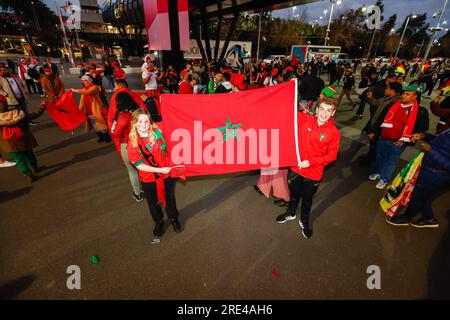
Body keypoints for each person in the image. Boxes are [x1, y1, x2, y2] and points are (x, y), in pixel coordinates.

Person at [276, 96, 341, 239]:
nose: (324, 114)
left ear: (333, 113)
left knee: (307, 200)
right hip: (295, 168)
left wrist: (311, 162)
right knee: (293, 195)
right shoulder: (305, 119)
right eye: (322, 109)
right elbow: (288, 110)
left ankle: (304, 221)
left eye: (328, 111)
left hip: (313, 173)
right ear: (317, 109)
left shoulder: (334, 133)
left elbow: (331, 156)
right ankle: (291, 213)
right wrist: (291, 87)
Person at [127, 109, 181, 240]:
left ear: (150, 122)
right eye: (140, 121)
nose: (143, 124)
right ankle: (159, 221)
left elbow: (177, 125)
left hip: (167, 174)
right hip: (149, 178)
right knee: (153, 202)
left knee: (170, 198)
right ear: (134, 123)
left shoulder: (158, 132)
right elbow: (139, 166)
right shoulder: (132, 143)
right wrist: (160, 170)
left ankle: (173, 218)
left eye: (146, 121)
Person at [386, 129, 450, 228]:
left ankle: (406, 218)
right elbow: (440, 142)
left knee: (417, 196)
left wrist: (431, 151)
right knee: (425, 197)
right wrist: (423, 136)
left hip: (436, 175)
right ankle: (429, 219)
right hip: (429, 169)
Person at [369, 85, 420, 189]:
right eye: (403, 93)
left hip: (398, 142)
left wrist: (405, 141)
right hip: (383, 137)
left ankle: (384, 178)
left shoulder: (419, 111)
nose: (403, 96)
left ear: (414, 97)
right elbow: (381, 119)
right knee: (380, 157)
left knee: (391, 161)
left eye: (407, 94)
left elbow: (420, 129)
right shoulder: (393, 105)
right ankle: (378, 172)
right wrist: (374, 131)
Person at [0, 93, 46, 182]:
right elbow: (34, 115)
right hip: (23, 139)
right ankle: (35, 168)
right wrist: (42, 107)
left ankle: (28, 175)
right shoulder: (17, 112)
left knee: (19, 159)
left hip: (9, 143)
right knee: (29, 154)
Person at [110, 92, 144, 202]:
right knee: (144, 168)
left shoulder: (122, 116)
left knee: (132, 171)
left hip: (127, 145)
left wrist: (113, 125)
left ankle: (138, 193)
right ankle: (146, 188)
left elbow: (116, 134)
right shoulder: (139, 112)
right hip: (142, 144)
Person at [71, 74, 111, 143]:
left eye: (85, 80)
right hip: (88, 111)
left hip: (96, 110)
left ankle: (107, 137)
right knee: (95, 126)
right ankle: (101, 137)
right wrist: (79, 110)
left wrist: (76, 90)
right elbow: (81, 102)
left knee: (101, 124)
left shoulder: (95, 87)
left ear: (89, 80)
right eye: (83, 81)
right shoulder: (83, 89)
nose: (84, 82)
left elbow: (89, 92)